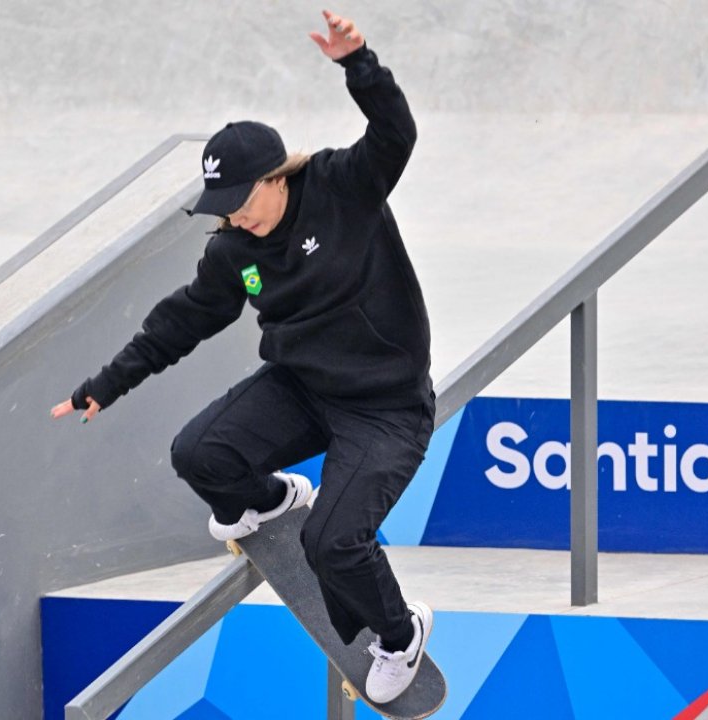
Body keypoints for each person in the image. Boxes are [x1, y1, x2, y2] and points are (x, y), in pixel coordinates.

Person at [51, 9, 435, 703]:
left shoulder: (343, 184)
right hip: (301, 388)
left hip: (386, 407)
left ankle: (401, 634)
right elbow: (184, 320)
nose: (233, 217)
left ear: (277, 175)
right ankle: (273, 496)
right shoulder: (233, 250)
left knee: (333, 543)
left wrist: (360, 64)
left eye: (241, 200)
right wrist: (105, 386)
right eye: (221, 207)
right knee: (201, 455)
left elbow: (395, 133)